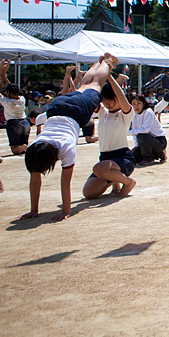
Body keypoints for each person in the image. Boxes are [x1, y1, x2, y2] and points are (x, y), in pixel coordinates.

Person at [22, 54, 117, 221]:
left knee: (96, 84)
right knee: (84, 86)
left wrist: (66, 211)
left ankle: (107, 62)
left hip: (76, 112)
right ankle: (98, 63)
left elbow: (64, 183)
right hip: (57, 106)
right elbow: (39, 179)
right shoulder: (36, 147)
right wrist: (34, 210)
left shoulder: (65, 148)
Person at [82, 73, 138, 200]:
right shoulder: (103, 112)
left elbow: (121, 96)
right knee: (88, 192)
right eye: (104, 100)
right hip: (105, 159)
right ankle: (114, 182)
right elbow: (88, 95)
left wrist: (110, 76)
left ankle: (128, 182)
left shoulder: (125, 114)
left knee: (99, 168)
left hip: (123, 159)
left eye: (110, 100)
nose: (107, 103)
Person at [0, 60, 30, 155]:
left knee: (15, 149)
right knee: (23, 144)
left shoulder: (7, 101)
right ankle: (25, 147)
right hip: (25, 122)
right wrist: (5, 77)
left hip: (13, 123)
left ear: (8, 93)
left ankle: (23, 147)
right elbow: (12, 89)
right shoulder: (22, 99)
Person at [129, 94, 167, 165]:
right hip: (145, 142)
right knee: (134, 158)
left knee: (141, 136)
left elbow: (145, 130)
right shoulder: (134, 114)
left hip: (158, 141)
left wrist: (128, 132)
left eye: (139, 103)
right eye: (134, 104)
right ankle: (157, 154)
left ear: (143, 104)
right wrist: (136, 146)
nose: (136, 106)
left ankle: (149, 158)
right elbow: (135, 130)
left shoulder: (148, 112)